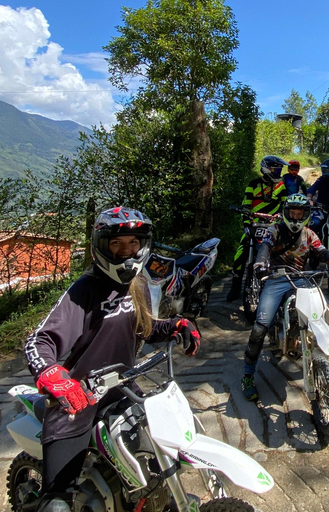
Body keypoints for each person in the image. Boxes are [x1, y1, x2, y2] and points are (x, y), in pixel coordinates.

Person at [23, 206, 201, 512]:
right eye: (116, 243)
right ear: (100, 246)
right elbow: (39, 341)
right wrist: (53, 375)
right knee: (56, 506)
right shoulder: (85, 290)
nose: (126, 251)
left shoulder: (138, 284)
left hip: (122, 391)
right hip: (77, 403)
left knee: (158, 463)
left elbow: (144, 329)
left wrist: (175, 326)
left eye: (134, 243)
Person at [241, 194, 329, 401]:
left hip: (303, 279)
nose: (295, 218)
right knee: (260, 325)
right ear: (285, 213)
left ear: (306, 215)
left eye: (299, 214)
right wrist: (260, 264)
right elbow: (264, 248)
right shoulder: (273, 230)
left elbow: (321, 251)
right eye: (292, 213)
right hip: (275, 279)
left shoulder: (310, 234)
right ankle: (248, 374)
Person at [227, 155, 289, 302]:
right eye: (276, 169)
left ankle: (282, 287)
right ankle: (235, 288)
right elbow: (246, 205)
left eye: (280, 170)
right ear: (267, 169)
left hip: (272, 226)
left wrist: (282, 215)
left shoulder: (281, 185)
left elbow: (285, 204)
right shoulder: (253, 184)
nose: (279, 172)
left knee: (282, 254)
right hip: (254, 225)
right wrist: (246, 223)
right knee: (239, 256)